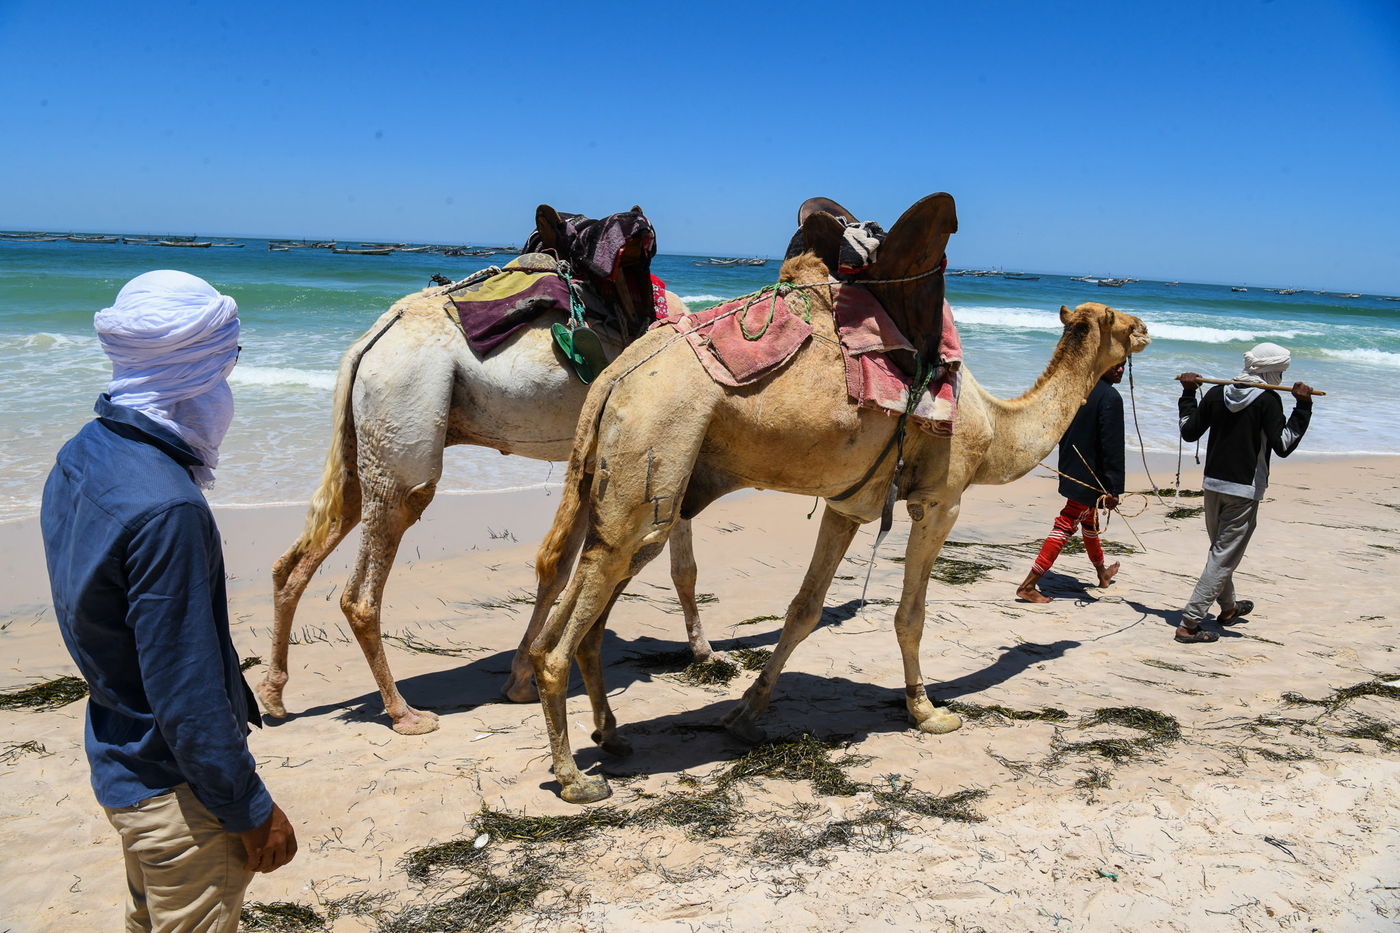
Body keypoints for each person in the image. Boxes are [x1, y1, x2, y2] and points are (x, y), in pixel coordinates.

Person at [41, 270, 297, 932]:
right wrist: (250, 807)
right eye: (224, 368)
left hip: (117, 755)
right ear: (195, 375)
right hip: (176, 794)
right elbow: (187, 698)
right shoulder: (169, 510)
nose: (227, 389)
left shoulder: (82, 453)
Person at [1174, 342, 1313, 644]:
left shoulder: (1214, 392)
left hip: (1212, 485)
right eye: (1281, 372)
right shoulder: (1269, 400)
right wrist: (1303, 408)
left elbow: (1188, 430)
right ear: (1272, 372)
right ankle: (1189, 623)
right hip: (1244, 490)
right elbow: (1284, 444)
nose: (1281, 377)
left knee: (1221, 553)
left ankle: (1228, 608)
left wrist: (1187, 393)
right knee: (1223, 557)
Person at [1017, 362, 1126, 603]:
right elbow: (1112, 446)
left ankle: (1102, 574)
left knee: (1089, 521)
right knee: (1066, 524)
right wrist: (1114, 488)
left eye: (1124, 366)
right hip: (1090, 475)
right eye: (1116, 365)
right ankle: (1028, 585)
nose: (1120, 370)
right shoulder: (1111, 397)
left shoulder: (1079, 389)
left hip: (1071, 466)